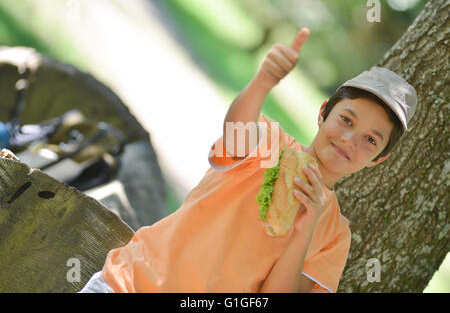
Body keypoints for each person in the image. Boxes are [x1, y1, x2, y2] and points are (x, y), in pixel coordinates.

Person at [79, 27, 418, 293]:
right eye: (346, 119)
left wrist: (307, 224)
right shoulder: (272, 144)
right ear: (324, 113)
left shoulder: (334, 235)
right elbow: (236, 133)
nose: (348, 140)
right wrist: (264, 81)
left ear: (379, 158)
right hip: (128, 284)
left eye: (370, 140)